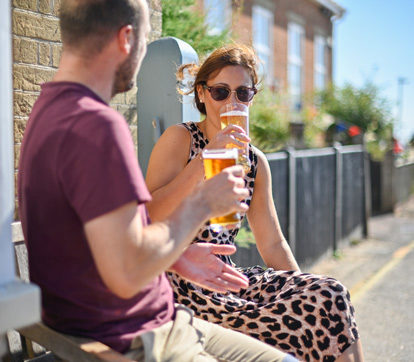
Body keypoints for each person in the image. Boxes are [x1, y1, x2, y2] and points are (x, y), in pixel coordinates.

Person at [17, 1, 298, 361]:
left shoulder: (49, 108)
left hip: (148, 319)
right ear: (127, 38)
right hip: (137, 336)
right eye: (146, 39)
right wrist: (202, 202)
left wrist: (178, 257)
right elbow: (128, 271)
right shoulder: (98, 125)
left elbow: (106, 244)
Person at [145, 44, 364, 361]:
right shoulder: (181, 139)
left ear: (252, 98)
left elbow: (273, 243)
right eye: (221, 92)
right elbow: (148, 214)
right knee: (305, 323)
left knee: (331, 296)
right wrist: (206, 159)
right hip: (181, 284)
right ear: (202, 94)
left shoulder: (254, 163)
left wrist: (301, 289)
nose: (232, 103)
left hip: (227, 280)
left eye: (242, 93)